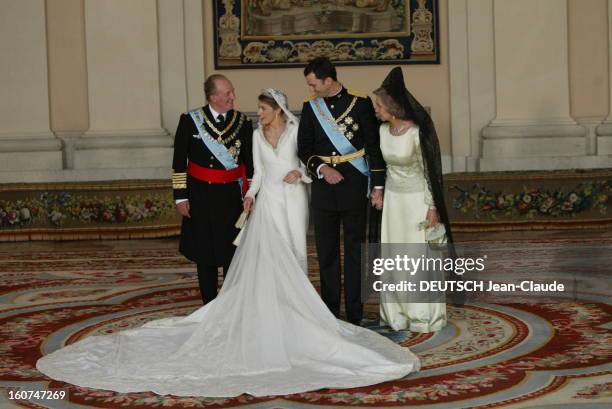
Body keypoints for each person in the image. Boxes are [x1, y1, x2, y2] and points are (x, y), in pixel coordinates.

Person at [36, 89, 420, 397]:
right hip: (267, 201)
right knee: (269, 256)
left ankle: (297, 307)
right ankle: (271, 305)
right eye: (246, 103)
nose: (254, 110)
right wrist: (250, 195)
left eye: (261, 107)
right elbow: (251, 171)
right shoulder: (249, 133)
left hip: (293, 199)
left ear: (276, 109)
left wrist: (300, 177)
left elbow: (306, 164)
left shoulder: (293, 129)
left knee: (294, 253)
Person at [297, 57, 385, 326]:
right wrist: (323, 169)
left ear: (329, 80)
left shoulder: (360, 103)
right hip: (324, 187)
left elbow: (373, 144)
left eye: (314, 84)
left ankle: (356, 313)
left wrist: (378, 184)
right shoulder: (310, 108)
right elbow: (305, 148)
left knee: (356, 251)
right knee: (326, 252)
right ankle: (331, 311)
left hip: (354, 182)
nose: (312, 90)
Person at [371, 67, 453, 332]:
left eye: (380, 106)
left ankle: (422, 315)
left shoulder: (417, 133)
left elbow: (430, 172)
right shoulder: (382, 132)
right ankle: (396, 315)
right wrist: (379, 190)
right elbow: (381, 167)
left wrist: (432, 207)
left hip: (418, 201)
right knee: (394, 255)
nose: (377, 110)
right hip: (394, 202)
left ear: (393, 108)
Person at [172, 74, 253, 304]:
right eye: (227, 93)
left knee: (231, 253)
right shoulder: (190, 120)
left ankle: (229, 304)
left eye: (232, 92)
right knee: (204, 253)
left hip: (230, 197)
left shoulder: (242, 122)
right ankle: (208, 303)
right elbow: (179, 162)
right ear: (213, 96)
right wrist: (180, 197)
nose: (232, 97)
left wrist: (250, 194)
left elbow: (250, 163)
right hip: (200, 196)